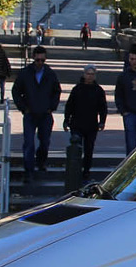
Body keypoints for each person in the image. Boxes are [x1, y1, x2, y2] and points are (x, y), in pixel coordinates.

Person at [12, 46, 62, 183]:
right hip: (30, 113)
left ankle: (41, 162)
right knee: (29, 142)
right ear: (33, 58)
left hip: (45, 114)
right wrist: (23, 108)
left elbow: (57, 91)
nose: (40, 62)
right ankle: (29, 170)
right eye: (38, 59)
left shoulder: (50, 74)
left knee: (45, 142)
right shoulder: (25, 73)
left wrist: (52, 107)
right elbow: (16, 91)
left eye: (42, 60)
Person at [64, 64, 108, 175]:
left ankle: (86, 170)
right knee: (76, 147)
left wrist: (102, 121)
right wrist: (66, 120)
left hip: (91, 125)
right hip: (77, 123)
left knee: (89, 149)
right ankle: (75, 169)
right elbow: (69, 105)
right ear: (84, 75)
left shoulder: (98, 90)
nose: (90, 76)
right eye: (88, 74)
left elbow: (103, 107)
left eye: (92, 74)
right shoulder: (77, 89)